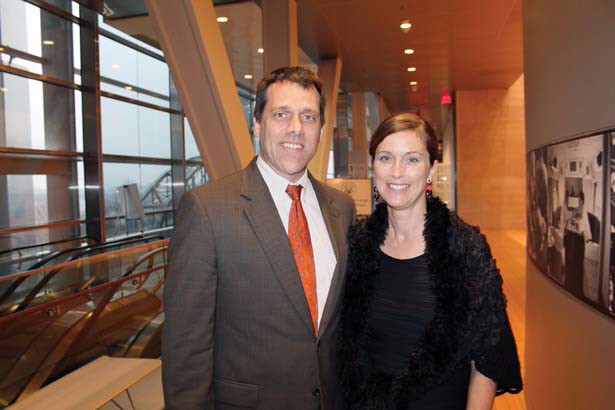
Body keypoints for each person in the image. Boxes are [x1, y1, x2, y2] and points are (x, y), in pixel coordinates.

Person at [162, 66, 356, 410]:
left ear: (321, 130)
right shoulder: (207, 210)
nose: (296, 128)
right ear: (257, 124)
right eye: (281, 114)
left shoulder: (341, 208)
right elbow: (186, 349)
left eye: (308, 117)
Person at [338, 113, 522, 409]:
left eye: (412, 159)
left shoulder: (464, 248)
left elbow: (487, 357)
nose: (397, 172)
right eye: (386, 158)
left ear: (431, 170)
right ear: (374, 167)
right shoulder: (358, 245)